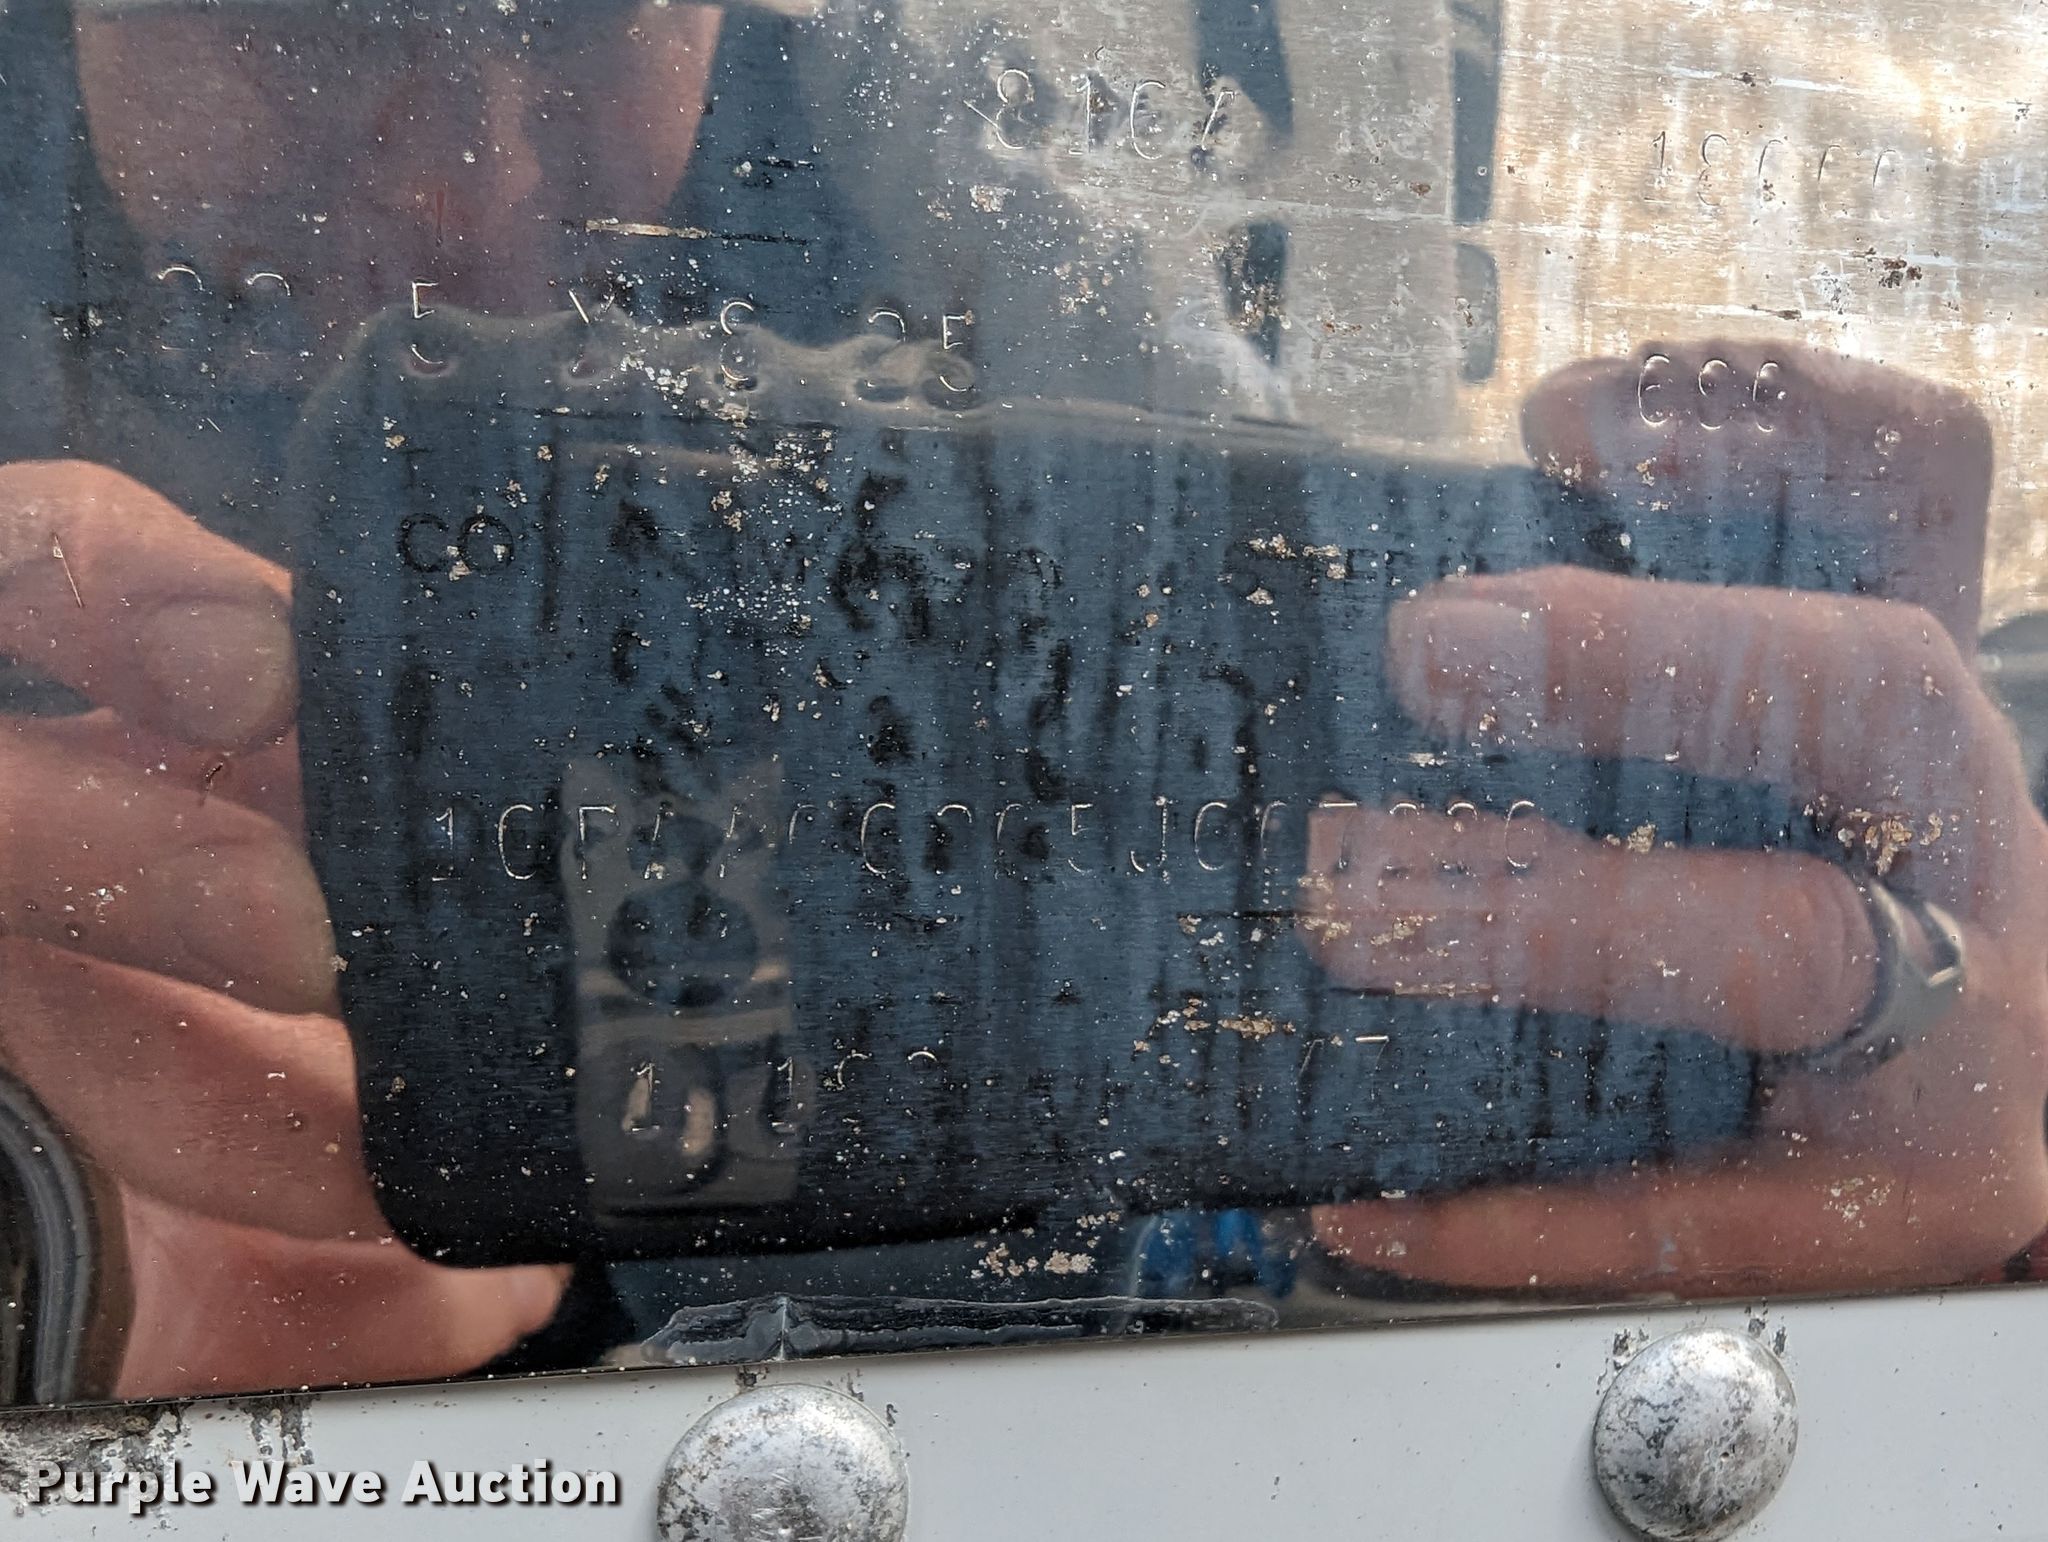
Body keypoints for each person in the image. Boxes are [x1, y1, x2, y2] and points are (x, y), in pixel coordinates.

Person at [0, 0, 2042, 1401]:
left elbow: (1174, 999)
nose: (470, 203)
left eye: (588, 20)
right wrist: (47, 1280)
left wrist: (1956, 1165)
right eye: (317, 19)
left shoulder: (962, 211)